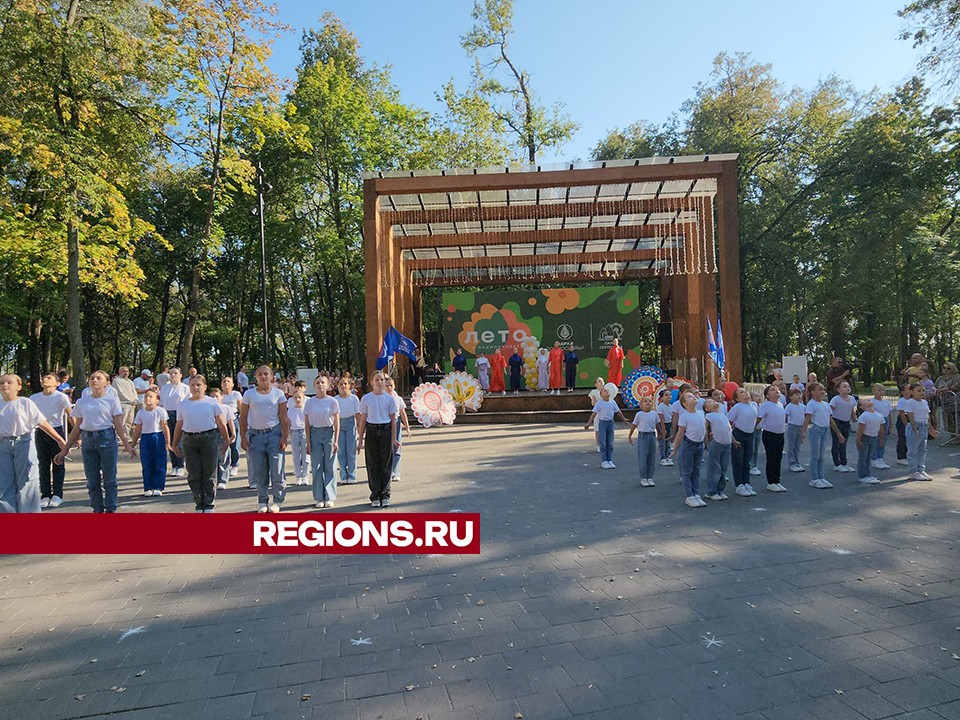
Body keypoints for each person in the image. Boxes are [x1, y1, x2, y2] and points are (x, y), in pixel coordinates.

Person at [55, 370, 136, 512]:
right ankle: (97, 508)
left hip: (106, 438)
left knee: (109, 477)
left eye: (99, 378)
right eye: (92, 378)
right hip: (88, 440)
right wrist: (65, 449)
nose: (95, 380)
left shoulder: (112, 400)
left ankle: (111, 508)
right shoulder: (82, 401)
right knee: (92, 480)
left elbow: (118, 424)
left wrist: (127, 445)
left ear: (107, 383)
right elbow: (77, 426)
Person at [0, 374, 67, 513]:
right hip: (3, 445)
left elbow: (42, 423)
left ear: (19, 387)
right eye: (2, 382)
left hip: (23, 443)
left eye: (9, 382)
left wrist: (60, 440)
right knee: (4, 485)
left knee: (26, 483)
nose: (5, 385)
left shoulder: (25, 402)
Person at [172, 375, 230, 513]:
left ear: (204, 387)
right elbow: (179, 425)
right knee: (193, 473)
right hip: (189, 440)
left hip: (209, 437)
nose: (195, 388)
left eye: (198, 385)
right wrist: (174, 444)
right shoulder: (183, 404)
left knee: (209, 472)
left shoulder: (212, 402)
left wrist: (227, 439)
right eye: (192, 385)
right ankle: (199, 504)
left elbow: (221, 422)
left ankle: (209, 504)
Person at [240, 365, 289, 513]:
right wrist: (243, 437)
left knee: (277, 469)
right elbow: (243, 417)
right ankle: (262, 500)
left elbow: (284, 417)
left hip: (274, 434)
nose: (263, 377)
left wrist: (284, 437)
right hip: (256, 435)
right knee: (259, 471)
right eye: (260, 374)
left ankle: (277, 501)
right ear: (255, 377)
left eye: (266, 374)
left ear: (272, 376)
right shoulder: (249, 394)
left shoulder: (278, 394)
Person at [30, 372, 72, 508]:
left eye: (49, 378)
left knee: (58, 463)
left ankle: (57, 494)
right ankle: (45, 494)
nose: (44, 379)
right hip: (40, 432)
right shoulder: (34, 398)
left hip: (57, 430)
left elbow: (71, 415)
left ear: (57, 383)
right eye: (44, 378)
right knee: (43, 464)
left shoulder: (61, 397)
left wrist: (76, 436)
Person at [357, 371, 399, 508]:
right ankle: (375, 494)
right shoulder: (366, 399)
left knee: (386, 464)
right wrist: (360, 439)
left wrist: (394, 438)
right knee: (372, 464)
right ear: (371, 382)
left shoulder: (389, 399)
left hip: (386, 430)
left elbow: (393, 420)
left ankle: (385, 494)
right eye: (377, 379)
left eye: (383, 379)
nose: (380, 382)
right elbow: (363, 419)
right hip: (372, 430)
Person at [305, 376, 340, 508]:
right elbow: (307, 424)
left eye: (323, 382)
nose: (320, 385)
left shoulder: (332, 401)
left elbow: (337, 423)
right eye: (318, 383)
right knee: (317, 466)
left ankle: (329, 496)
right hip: (315, 433)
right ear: (314, 386)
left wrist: (336, 440)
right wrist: (308, 442)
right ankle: (319, 497)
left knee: (330, 466)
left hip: (329, 433)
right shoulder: (310, 402)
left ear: (328, 385)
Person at [130, 388, 171, 497]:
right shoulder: (140, 413)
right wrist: (132, 445)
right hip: (145, 438)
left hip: (157, 436)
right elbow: (138, 429)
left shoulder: (161, 411)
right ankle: (148, 487)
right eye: (146, 396)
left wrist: (168, 442)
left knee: (159, 462)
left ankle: (158, 486)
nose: (148, 398)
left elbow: (165, 426)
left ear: (157, 400)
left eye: (151, 396)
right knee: (146, 463)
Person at [670, 391, 707, 508]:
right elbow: (680, 433)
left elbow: (703, 430)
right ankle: (689, 495)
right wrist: (675, 449)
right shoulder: (684, 416)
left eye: (693, 396)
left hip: (699, 445)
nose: (693, 397)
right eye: (689, 397)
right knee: (687, 471)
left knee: (696, 471)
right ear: (685, 404)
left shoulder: (701, 413)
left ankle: (696, 493)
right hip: (688, 445)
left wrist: (706, 443)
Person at [583, 385, 628, 470]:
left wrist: (624, 420)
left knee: (610, 443)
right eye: (605, 391)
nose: (607, 392)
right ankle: (604, 461)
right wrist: (589, 423)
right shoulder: (600, 403)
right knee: (603, 442)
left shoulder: (612, 402)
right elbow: (594, 413)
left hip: (610, 423)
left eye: (608, 391)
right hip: (603, 423)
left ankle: (610, 460)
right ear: (601, 394)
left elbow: (618, 412)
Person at [800, 382, 834, 489]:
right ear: (812, 392)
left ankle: (821, 477)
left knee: (822, 455)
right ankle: (814, 479)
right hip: (816, 430)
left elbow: (830, 419)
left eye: (823, 389)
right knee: (816, 455)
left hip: (825, 430)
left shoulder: (826, 404)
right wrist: (803, 432)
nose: (823, 391)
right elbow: (807, 419)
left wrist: (838, 433)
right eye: (820, 389)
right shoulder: (811, 404)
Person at [901, 383, 937, 481]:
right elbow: (910, 416)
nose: (921, 393)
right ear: (912, 392)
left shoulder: (924, 402)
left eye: (923, 390)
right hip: (915, 426)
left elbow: (927, 416)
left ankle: (921, 469)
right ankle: (914, 471)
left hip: (924, 426)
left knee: (922, 450)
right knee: (913, 451)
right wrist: (914, 428)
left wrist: (931, 428)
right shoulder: (910, 402)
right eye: (918, 391)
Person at [159, 367, 190, 478]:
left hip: (180, 415)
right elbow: (161, 403)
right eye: (171, 373)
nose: (173, 375)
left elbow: (188, 403)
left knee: (179, 440)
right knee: (170, 440)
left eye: (175, 373)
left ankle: (181, 465)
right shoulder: (164, 388)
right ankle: (174, 466)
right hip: (167, 414)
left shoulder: (185, 388)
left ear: (181, 375)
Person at [727, 388, 758, 497]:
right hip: (739, 434)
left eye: (745, 391)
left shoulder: (754, 405)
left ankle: (747, 482)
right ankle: (739, 484)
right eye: (741, 392)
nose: (745, 393)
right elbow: (728, 420)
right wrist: (732, 437)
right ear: (737, 398)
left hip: (750, 434)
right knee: (738, 460)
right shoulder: (738, 407)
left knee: (747, 460)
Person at [757, 385, 788, 492]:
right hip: (769, 434)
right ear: (767, 395)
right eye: (773, 390)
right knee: (771, 458)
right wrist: (754, 427)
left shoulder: (780, 404)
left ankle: (777, 480)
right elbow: (759, 418)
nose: (776, 391)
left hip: (780, 434)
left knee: (778, 458)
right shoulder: (765, 405)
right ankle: (770, 482)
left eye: (777, 389)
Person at [628, 395, 663, 487]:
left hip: (651, 435)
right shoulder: (639, 414)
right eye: (645, 401)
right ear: (641, 405)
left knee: (651, 456)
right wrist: (630, 435)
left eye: (650, 401)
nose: (648, 403)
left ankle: (650, 477)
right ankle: (643, 477)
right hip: (643, 436)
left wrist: (660, 433)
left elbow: (657, 425)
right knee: (643, 456)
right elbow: (634, 425)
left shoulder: (654, 414)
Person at [703, 399, 734, 501]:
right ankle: (711, 491)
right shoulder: (709, 416)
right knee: (714, 468)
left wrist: (734, 441)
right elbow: (705, 429)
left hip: (727, 443)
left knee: (723, 468)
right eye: (710, 402)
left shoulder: (723, 414)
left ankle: (720, 489)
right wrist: (706, 442)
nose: (714, 402)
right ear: (707, 409)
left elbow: (728, 429)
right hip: (717, 443)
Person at [207, 388, 236, 491]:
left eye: (216, 396)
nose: (214, 398)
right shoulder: (207, 408)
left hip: (222, 434)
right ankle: (213, 480)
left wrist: (233, 433)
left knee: (223, 458)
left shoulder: (226, 408)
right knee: (212, 459)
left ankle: (222, 480)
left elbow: (230, 421)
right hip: (211, 434)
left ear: (221, 397)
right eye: (212, 396)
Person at [335, 375, 361, 485]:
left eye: (345, 384)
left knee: (351, 451)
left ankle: (351, 475)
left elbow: (358, 415)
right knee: (341, 452)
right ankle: (343, 475)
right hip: (340, 424)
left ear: (350, 385)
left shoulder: (354, 398)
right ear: (337, 386)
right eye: (341, 384)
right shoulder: (335, 399)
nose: (343, 386)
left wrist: (360, 429)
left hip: (350, 423)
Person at [385, 377, 412, 483]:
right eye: (387, 386)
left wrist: (407, 427)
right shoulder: (382, 398)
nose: (389, 388)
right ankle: (387, 472)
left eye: (391, 385)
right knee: (387, 449)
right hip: (386, 424)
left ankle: (395, 472)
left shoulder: (398, 399)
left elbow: (403, 413)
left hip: (396, 423)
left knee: (397, 447)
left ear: (394, 386)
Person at [829, 381, 858, 473]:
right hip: (837, 422)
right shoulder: (836, 399)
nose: (847, 388)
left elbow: (852, 411)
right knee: (837, 443)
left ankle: (844, 463)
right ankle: (837, 464)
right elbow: (830, 412)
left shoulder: (852, 399)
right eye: (844, 386)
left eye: (848, 386)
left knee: (844, 444)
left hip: (846, 423)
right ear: (838, 389)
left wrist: (855, 421)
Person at [855, 398, 885, 485]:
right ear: (862, 406)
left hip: (874, 437)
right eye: (865, 401)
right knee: (863, 457)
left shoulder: (879, 415)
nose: (868, 400)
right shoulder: (864, 416)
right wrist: (859, 440)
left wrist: (881, 438)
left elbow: (881, 428)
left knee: (869, 457)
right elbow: (860, 429)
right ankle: (862, 476)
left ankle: (867, 474)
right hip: (865, 438)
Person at [286, 381, 310, 486]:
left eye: (300, 397)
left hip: (304, 431)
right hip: (294, 432)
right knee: (296, 455)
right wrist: (287, 433)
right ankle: (298, 476)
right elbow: (288, 422)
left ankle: (305, 476)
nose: (298, 400)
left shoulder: (306, 407)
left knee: (306, 456)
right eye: (295, 398)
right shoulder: (291, 410)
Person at [220, 375, 243, 477]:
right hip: (222, 421)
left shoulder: (236, 394)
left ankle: (234, 465)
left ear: (233, 384)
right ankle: (225, 464)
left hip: (234, 419)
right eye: (224, 381)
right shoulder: (220, 396)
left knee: (234, 444)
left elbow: (241, 408)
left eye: (228, 381)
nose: (226, 383)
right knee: (223, 444)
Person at [869, 384, 893, 470]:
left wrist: (890, 425)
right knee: (876, 439)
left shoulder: (886, 402)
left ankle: (880, 457)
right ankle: (874, 458)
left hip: (885, 420)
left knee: (883, 439)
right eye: (878, 390)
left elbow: (889, 413)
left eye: (882, 390)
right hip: (876, 421)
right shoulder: (871, 401)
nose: (881, 392)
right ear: (873, 391)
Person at [784, 388, 806, 473]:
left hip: (800, 427)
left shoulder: (803, 407)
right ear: (790, 397)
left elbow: (805, 418)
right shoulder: (789, 406)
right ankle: (792, 463)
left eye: (799, 394)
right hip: (792, 427)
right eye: (796, 395)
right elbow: (785, 416)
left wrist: (803, 431)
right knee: (791, 446)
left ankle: (797, 462)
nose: (799, 396)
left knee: (797, 446)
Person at [934, 361, 959, 436]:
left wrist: (944, 389)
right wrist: (935, 390)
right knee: (947, 419)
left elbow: (956, 386)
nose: (946, 370)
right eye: (944, 368)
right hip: (944, 402)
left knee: (956, 418)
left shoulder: (957, 377)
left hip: (956, 401)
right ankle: (953, 435)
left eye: (948, 368)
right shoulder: (940, 378)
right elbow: (935, 386)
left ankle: (958, 435)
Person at [113, 366, 138, 436]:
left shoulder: (130, 381)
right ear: (119, 372)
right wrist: (129, 400)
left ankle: (126, 436)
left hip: (132, 404)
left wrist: (135, 399)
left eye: (127, 371)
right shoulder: (117, 381)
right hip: (123, 404)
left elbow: (134, 391)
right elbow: (120, 393)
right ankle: (119, 437)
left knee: (129, 422)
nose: (126, 373)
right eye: (124, 371)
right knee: (122, 422)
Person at [895, 384, 912, 466]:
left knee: (910, 438)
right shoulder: (902, 400)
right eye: (909, 389)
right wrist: (906, 424)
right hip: (903, 419)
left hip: (911, 418)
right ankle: (901, 457)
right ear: (902, 392)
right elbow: (901, 413)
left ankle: (908, 455)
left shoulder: (913, 400)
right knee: (903, 438)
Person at [657, 388, 674, 466]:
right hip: (662, 425)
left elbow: (673, 417)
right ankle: (663, 458)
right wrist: (663, 429)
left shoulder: (671, 406)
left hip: (669, 424)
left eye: (670, 395)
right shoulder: (661, 406)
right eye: (666, 395)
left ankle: (668, 456)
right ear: (662, 397)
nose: (668, 396)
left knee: (668, 441)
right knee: (662, 441)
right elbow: (661, 418)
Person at [588, 377, 605, 454]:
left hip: (606, 412)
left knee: (606, 429)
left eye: (602, 381)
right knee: (597, 429)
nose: (601, 383)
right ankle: (598, 445)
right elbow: (593, 403)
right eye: (599, 381)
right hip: (598, 413)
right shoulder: (594, 392)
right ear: (595, 384)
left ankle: (605, 444)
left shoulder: (607, 391)